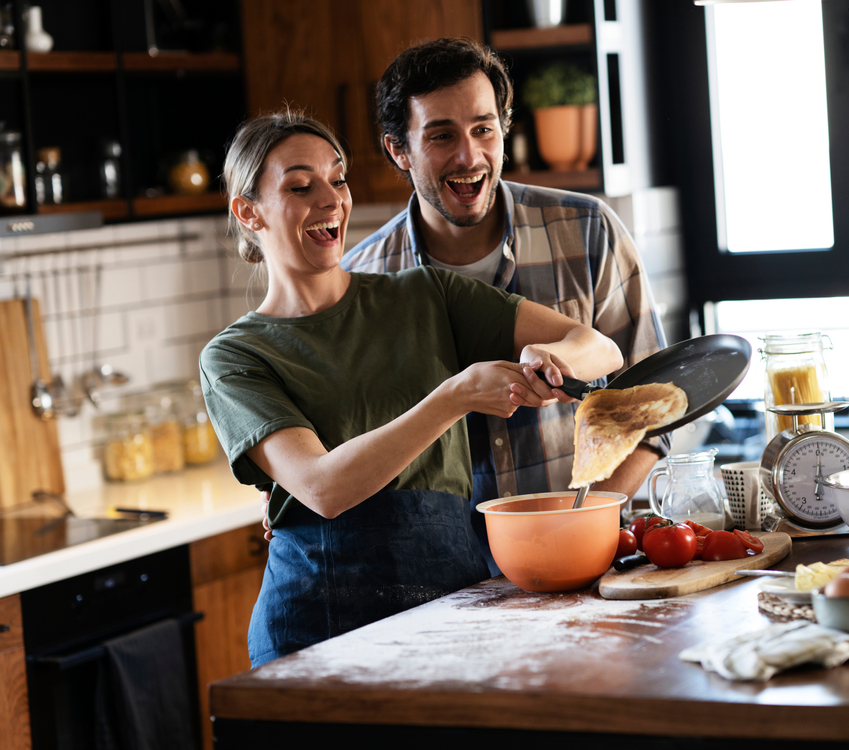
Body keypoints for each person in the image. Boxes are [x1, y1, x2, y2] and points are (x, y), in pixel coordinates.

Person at [200, 110, 623, 667]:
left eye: (338, 178)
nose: (331, 200)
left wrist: (551, 356)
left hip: (450, 605)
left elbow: (599, 347)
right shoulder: (235, 355)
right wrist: (455, 396)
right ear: (248, 211)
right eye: (301, 186)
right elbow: (323, 488)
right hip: (315, 631)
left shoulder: (427, 294)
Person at [339, 37, 668, 571]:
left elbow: (653, 410)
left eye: (483, 128)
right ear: (398, 150)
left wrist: (578, 521)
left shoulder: (588, 231)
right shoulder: (361, 280)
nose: (469, 156)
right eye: (441, 135)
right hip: (435, 582)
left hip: (587, 556)